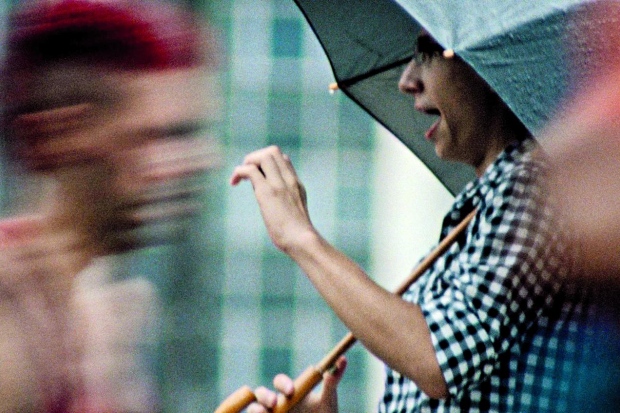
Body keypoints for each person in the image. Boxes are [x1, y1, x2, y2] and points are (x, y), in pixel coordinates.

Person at [230, 30, 590, 412]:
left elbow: (438, 359)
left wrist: (301, 237)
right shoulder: (471, 221)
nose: (407, 81)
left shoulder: (539, 189)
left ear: (489, 56)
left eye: (429, 53)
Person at [0, 1, 220, 412]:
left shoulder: (92, 311)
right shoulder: (10, 312)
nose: (196, 161)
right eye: (155, 136)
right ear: (62, 131)